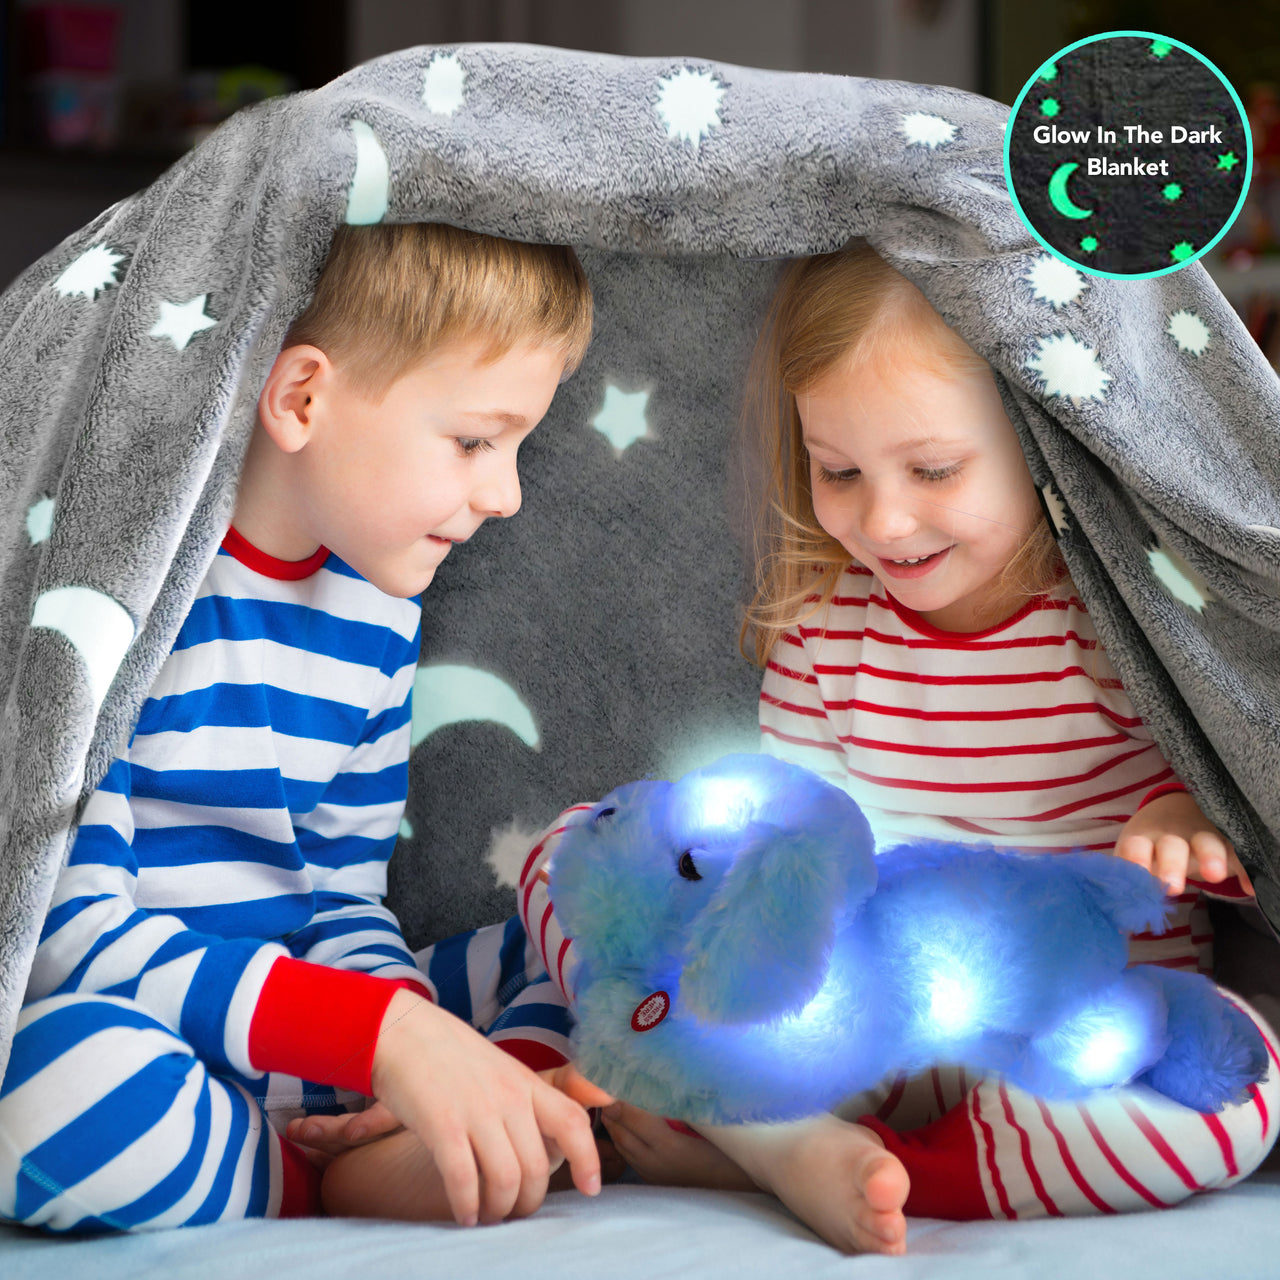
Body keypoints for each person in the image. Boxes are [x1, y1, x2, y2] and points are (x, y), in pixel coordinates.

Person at [300, 240, 1280, 1252]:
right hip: (857, 1032)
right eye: (839, 471)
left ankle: (868, 1163)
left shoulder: (1111, 627)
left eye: (932, 469)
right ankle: (768, 1132)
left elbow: (1235, 776)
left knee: (1236, 1091)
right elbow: (790, 848)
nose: (884, 517)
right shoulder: (824, 627)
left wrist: (1181, 817)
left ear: (1038, 442)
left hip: (1069, 1031)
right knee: (584, 850)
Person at [0, 222, 608, 1234]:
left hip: (334, 1028)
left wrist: (401, 1035)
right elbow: (65, 936)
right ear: (302, 398)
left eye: (516, 447)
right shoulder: (110, 604)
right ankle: (309, 1173)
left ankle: (490, 1108)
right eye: (473, 440)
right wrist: (385, 1039)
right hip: (169, 1034)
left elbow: (339, 889)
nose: (503, 495)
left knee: (607, 883)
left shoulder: (379, 615)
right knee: (56, 1087)